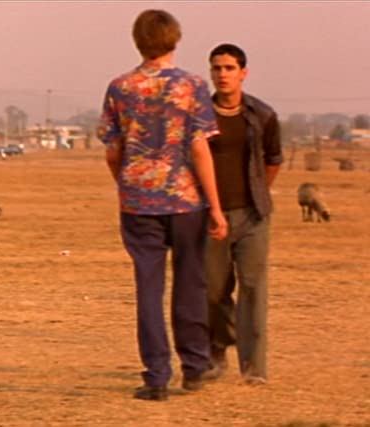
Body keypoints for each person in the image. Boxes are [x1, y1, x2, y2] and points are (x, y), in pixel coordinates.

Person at [97, 9, 228, 401]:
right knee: (191, 283)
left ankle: (156, 375)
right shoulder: (192, 86)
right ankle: (195, 366)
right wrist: (215, 206)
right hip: (186, 201)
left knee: (148, 289)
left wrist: (128, 183)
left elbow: (112, 151)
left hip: (138, 202)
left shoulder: (120, 87)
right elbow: (200, 149)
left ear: (138, 40)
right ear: (175, 39)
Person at [203, 43, 282, 386]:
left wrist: (257, 192)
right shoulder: (199, 115)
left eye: (229, 68)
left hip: (252, 216)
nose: (223, 74)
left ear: (243, 73)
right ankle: (217, 348)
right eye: (217, 68)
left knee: (253, 289)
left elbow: (273, 160)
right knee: (212, 289)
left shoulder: (262, 115)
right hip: (210, 216)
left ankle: (254, 367)